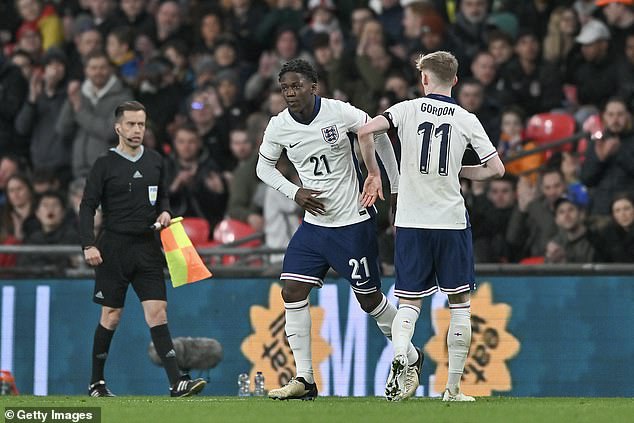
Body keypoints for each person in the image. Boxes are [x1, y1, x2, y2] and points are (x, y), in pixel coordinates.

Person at [256, 59, 421, 401]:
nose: (290, 93)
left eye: (297, 86)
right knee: (290, 291)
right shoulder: (279, 126)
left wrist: (393, 187)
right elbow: (263, 167)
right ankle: (304, 378)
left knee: (369, 300)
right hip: (314, 227)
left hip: (352, 223)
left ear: (313, 86)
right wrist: (295, 192)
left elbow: (379, 134)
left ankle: (411, 355)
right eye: (285, 87)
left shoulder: (339, 113)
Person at [357, 51, 505, 402]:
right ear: (455, 80)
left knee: (408, 302)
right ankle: (452, 389)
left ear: (424, 79)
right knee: (460, 303)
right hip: (450, 221)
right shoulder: (466, 118)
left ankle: (401, 357)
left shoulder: (406, 110)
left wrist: (374, 174)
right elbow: (497, 169)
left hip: (410, 220)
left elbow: (365, 131)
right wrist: (461, 171)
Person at [79, 101, 206, 398]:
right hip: (114, 248)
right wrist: (88, 243)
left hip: (147, 247)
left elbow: (162, 198)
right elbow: (87, 206)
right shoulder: (104, 164)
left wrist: (164, 212)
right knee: (111, 316)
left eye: (141, 124)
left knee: (158, 312)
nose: (137, 130)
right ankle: (96, 383)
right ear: (118, 128)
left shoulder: (155, 161)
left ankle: (177, 383)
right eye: (132, 124)